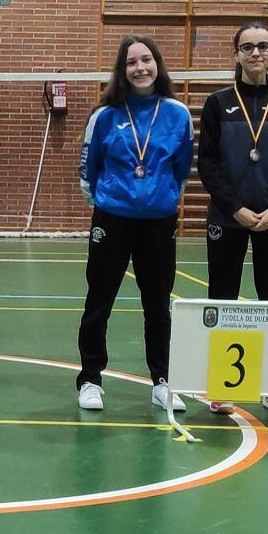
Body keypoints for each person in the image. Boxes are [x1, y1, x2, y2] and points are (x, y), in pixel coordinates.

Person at [75, 35, 194, 413]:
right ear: (122, 71)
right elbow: (88, 169)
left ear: (157, 64)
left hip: (158, 223)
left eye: (146, 60)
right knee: (98, 302)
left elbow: (182, 168)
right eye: (132, 63)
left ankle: (162, 380)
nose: (140, 68)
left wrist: (160, 199)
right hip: (112, 219)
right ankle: (90, 379)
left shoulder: (177, 113)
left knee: (157, 305)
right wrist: (112, 201)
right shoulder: (105, 116)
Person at [197, 21, 268, 416]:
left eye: (263, 46)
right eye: (248, 47)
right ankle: (222, 387)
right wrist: (235, 209)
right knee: (222, 299)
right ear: (236, 54)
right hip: (228, 219)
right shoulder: (218, 103)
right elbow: (206, 164)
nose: (256, 53)